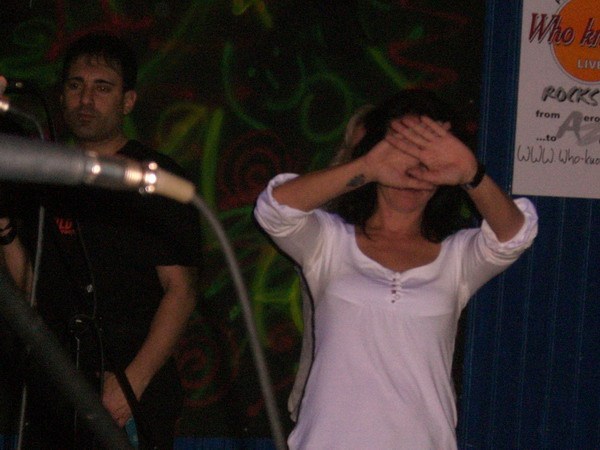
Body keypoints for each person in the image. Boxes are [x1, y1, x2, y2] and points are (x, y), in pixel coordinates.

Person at [254, 90, 538, 449]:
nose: (412, 173)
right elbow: (275, 209)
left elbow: (514, 236)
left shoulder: (456, 258)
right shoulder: (330, 243)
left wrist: (471, 173)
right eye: (403, 154)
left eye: (427, 160)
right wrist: (368, 167)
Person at [0, 32, 202, 449]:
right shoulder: (44, 173)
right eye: (76, 86)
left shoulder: (153, 177)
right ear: (61, 95)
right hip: (57, 387)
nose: (86, 100)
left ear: (128, 101)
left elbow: (180, 291)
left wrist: (131, 384)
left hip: (130, 390)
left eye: (102, 88)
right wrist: (4, 230)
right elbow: (29, 286)